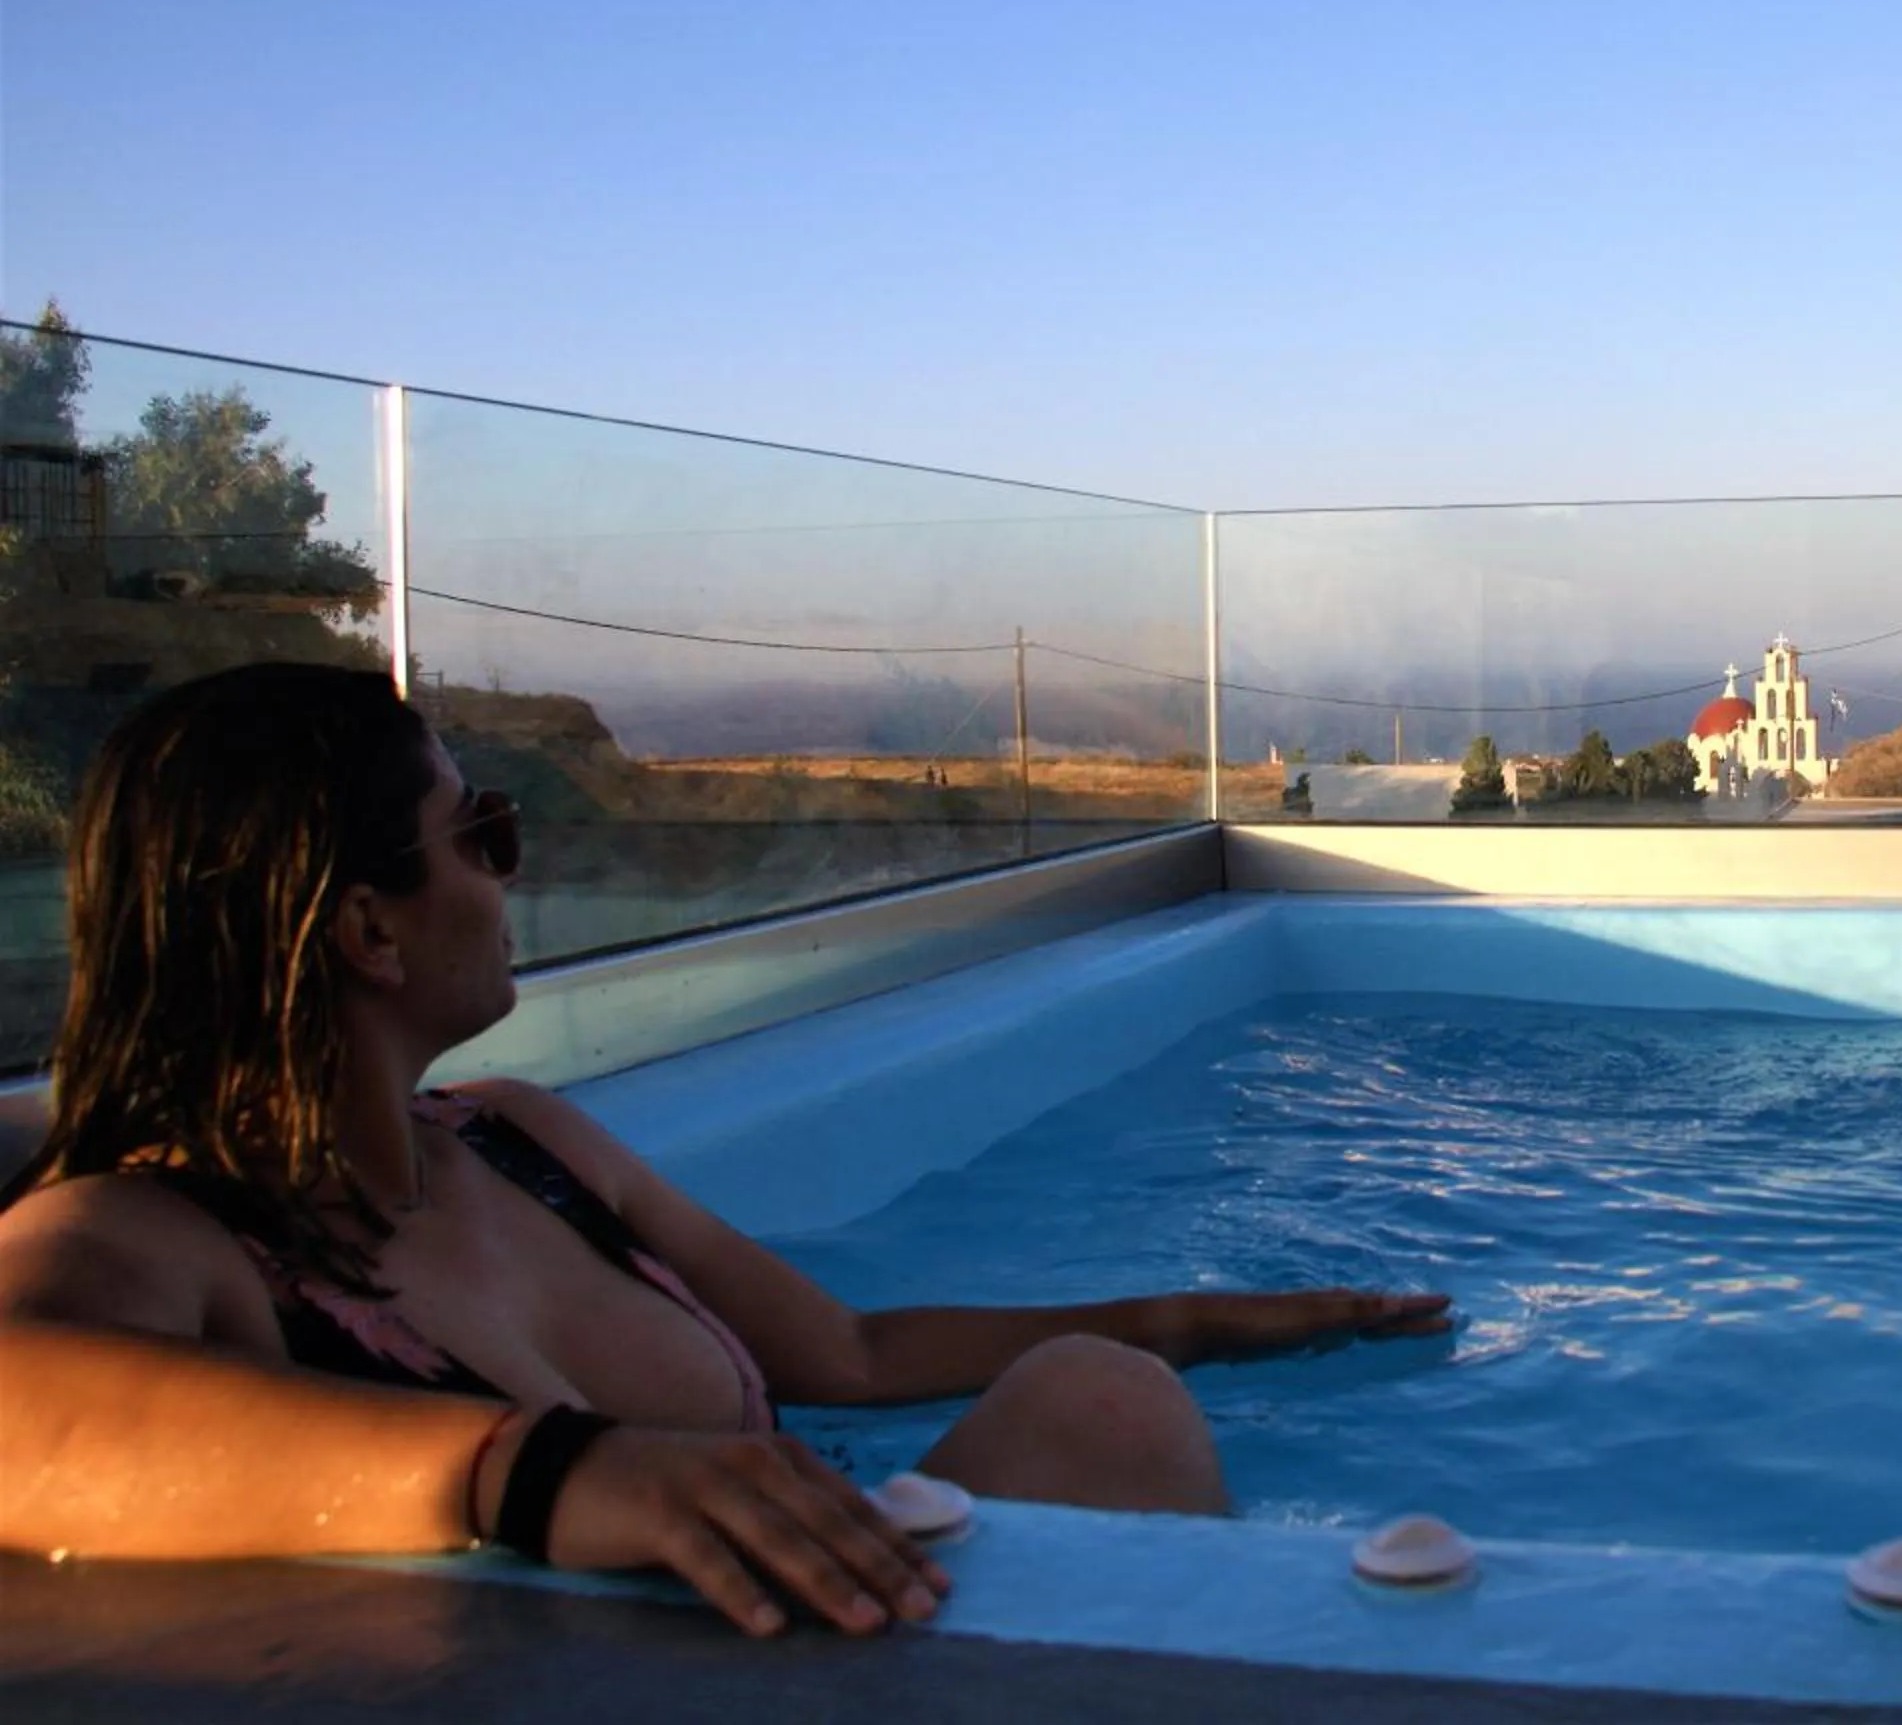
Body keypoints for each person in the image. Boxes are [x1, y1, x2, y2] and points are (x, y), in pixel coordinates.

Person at [0, 664, 1447, 1639]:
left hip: (810, 1648)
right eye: (481, 836)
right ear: (368, 929)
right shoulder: (150, 1234)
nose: (516, 874)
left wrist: (1197, 1319)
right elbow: (27, 1418)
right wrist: (553, 1477)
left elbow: (852, 1357)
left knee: (1098, 1401)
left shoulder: (515, 1140)